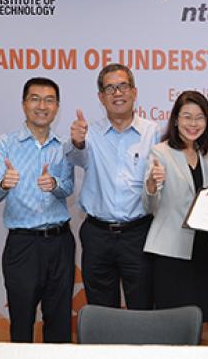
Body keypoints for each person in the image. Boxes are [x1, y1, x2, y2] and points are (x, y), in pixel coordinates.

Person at [0, 77, 75, 342]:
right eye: (35, 99)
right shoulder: (5, 144)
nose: (42, 106)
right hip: (23, 245)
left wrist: (55, 184)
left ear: (57, 107)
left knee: (59, 323)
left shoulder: (63, 146)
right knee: (22, 323)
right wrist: (4, 183)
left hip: (60, 243)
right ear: (24, 104)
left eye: (49, 100)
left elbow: (68, 187)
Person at [66, 63, 160, 309]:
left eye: (123, 86)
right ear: (101, 97)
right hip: (97, 235)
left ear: (134, 92)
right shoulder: (88, 134)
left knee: (142, 310)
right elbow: (75, 158)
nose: (117, 93)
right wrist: (77, 142)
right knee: (101, 313)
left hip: (138, 234)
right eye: (110, 88)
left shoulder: (153, 132)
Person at [143, 90, 208, 322]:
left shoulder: (206, 154)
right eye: (187, 117)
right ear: (176, 120)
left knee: (198, 319)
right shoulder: (161, 152)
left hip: (203, 248)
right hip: (171, 250)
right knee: (171, 321)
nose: (193, 124)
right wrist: (152, 184)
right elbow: (149, 205)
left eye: (199, 117)